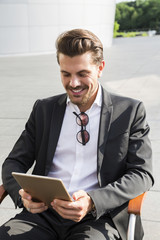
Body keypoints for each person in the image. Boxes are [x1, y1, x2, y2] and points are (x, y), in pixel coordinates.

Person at [0, 29, 154, 240]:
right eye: (66, 74)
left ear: (100, 68)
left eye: (82, 74)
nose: (73, 83)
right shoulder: (44, 109)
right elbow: (13, 163)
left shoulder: (129, 112)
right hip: (43, 214)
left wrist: (92, 200)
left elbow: (142, 173)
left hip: (99, 217)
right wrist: (23, 195)